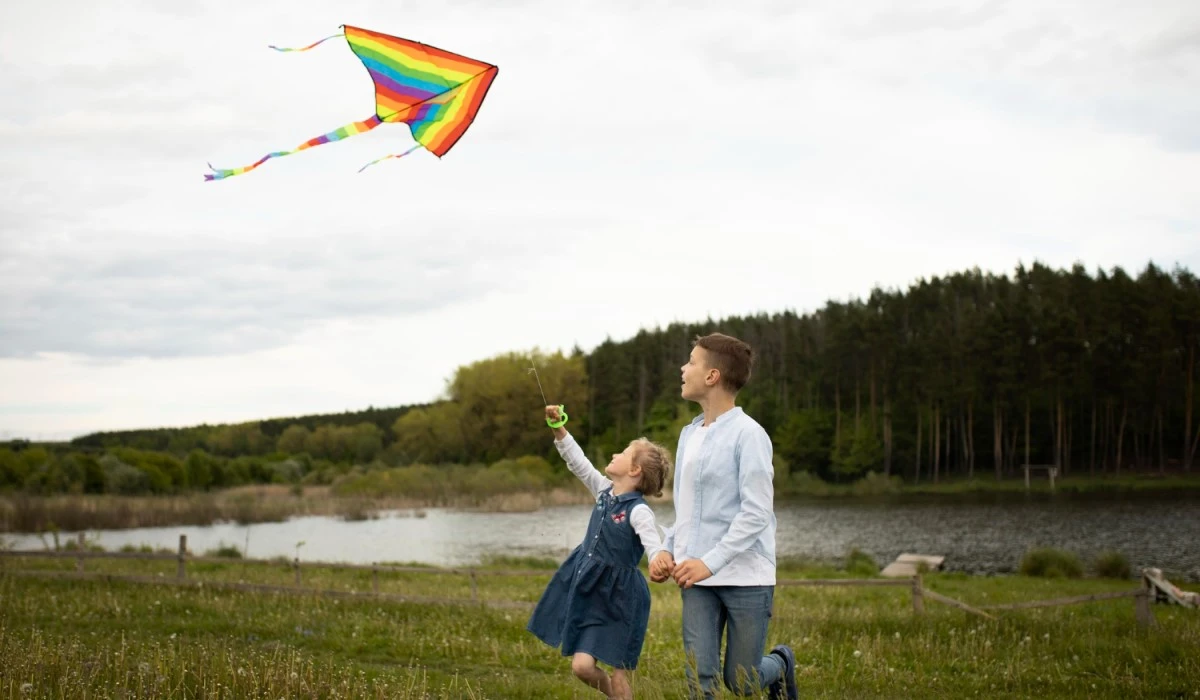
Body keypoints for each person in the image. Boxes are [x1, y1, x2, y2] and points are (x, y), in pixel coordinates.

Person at [649, 332, 798, 699]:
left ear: (712, 376)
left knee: (743, 682)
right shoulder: (688, 435)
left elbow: (756, 513)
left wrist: (709, 562)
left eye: (692, 362)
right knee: (699, 679)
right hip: (695, 578)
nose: (684, 368)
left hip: (746, 575)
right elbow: (685, 510)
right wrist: (667, 549)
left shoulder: (750, 435)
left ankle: (779, 664)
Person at [527, 404, 673, 699]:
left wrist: (658, 559)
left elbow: (653, 544)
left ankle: (620, 694)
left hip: (622, 599)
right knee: (581, 667)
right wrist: (558, 426)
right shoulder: (603, 489)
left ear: (634, 471)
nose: (614, 455)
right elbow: (577, 461)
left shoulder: (639, 512)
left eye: (622, 453)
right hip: (591, 589)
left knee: (620, 676)